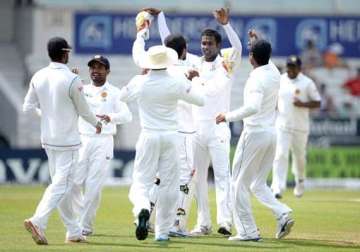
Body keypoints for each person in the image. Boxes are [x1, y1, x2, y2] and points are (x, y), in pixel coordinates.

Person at [153, 7, 243, 237]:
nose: (205, 47)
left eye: (210, 43)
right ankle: (204, 223)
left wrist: (226, 24)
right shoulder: (195, 62)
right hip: (196, 130)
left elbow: (239, 49)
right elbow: (169, 44)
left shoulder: (225, 63)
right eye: (203, 43)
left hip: (218, 128)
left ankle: (225, 222)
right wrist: (160, 17)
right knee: (198, 180)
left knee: (223, 176)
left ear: (218, 45)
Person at [22, 37, 102, 245]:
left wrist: (46, 115)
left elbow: (28, 107)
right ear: (65, 53)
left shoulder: (38, 76)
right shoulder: (72, 79)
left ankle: (74, 231)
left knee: (61, 185)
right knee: (60, 185)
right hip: (68, 142)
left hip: (48, 140)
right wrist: (97, 124)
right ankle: (38, 221)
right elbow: (84, 110)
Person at [121, 44, 204, 241]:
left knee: (141, 182)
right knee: (169, 185)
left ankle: (142, 209)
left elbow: (121, 97)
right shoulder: (176, 80)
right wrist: (192, 81)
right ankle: (162, 232)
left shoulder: (140, 81)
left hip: (148, 135)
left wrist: (140, 78)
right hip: (171, 137)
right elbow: (200, 100)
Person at [216, 31, 293, 241]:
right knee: (257, 184)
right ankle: (282, 212)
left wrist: (227, 116)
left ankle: (247, 231)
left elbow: (252, 107)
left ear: (251, 57)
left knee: (237, 184)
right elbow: (261, 52)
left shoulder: (256, 78)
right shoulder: (274, 71)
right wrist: (255, 41)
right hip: (271, 134)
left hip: (255, 134)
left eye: (250, 51)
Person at [134, 8, 201, 237]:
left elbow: (165, 42)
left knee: (156, 178)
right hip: (182, 133)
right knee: (182, 180)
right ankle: (174, 224)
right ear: (184, 51)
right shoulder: (188, 69)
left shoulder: (158, 68)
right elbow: (200, 99)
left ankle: (146, 213)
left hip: (156, 132)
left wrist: (152, 24)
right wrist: (194, 81)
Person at [71, 55, 132, 236]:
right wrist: (72, 83)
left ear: (108, 71)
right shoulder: (81, 88)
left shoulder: (114, 92)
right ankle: (77, 220)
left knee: (93, 185)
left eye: (100, 67)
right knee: (74, 182)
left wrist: (111, 117)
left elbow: (128, 116)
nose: (96, 71)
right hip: (82, 139)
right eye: (93, 67)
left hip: (103, 140)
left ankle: (85, 226)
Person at [271, 55, 321, 199]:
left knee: (299, 158)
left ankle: (300, 181)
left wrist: (302, 104)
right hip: (283, 126)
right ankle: (278, 187)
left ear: (299, 68)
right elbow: (274, 99)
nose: (291, 70)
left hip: (300, 127)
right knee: (280, 155)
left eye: (294, 67)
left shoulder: (307, 83)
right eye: (289, 67)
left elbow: (317, 103)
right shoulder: (280, 80)